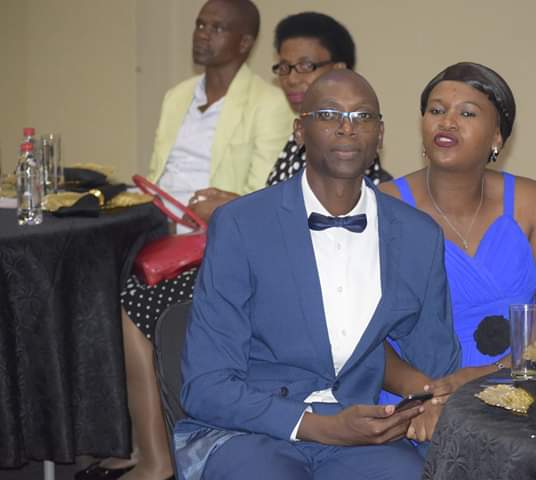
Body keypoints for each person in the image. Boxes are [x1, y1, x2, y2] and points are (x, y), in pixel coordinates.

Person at [174, 69, 459, 480]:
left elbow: (435, 367)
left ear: (380, 135)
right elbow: (204, 385)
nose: (347, 128)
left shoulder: (417, 236)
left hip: (363, 435)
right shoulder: (241, 224)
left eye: (362, 117)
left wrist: (430, 403)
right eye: (328, 114)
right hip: (252, 429)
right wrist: (320, 426)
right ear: (299, 131)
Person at [75, 2, 292, 479]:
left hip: (218, 246)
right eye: (199, 24)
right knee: (86, 283)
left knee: (134, 303)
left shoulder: (267, 103)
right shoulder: (177, 96)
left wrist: (219, 210)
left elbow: (265, 199)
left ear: (244, 43)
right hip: (157, 232)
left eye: (217, 28)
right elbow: (160, 174)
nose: (202, 34)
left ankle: (156, 458)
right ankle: (124, 440)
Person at [379, 62, 536, 440]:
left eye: (467, 113)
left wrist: (493, 375)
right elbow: (358, 333)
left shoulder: (532, 202)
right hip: (414, 397)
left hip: (518, 383)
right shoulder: (384, 206)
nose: (447, 121)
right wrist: (429, 394)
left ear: (497, 137)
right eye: (437, 110)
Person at [265, 12, 392, 186]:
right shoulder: (300, 133)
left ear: (339, 69)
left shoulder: (350, 138)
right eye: (285, 67)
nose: (291, 79)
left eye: (306, 66)